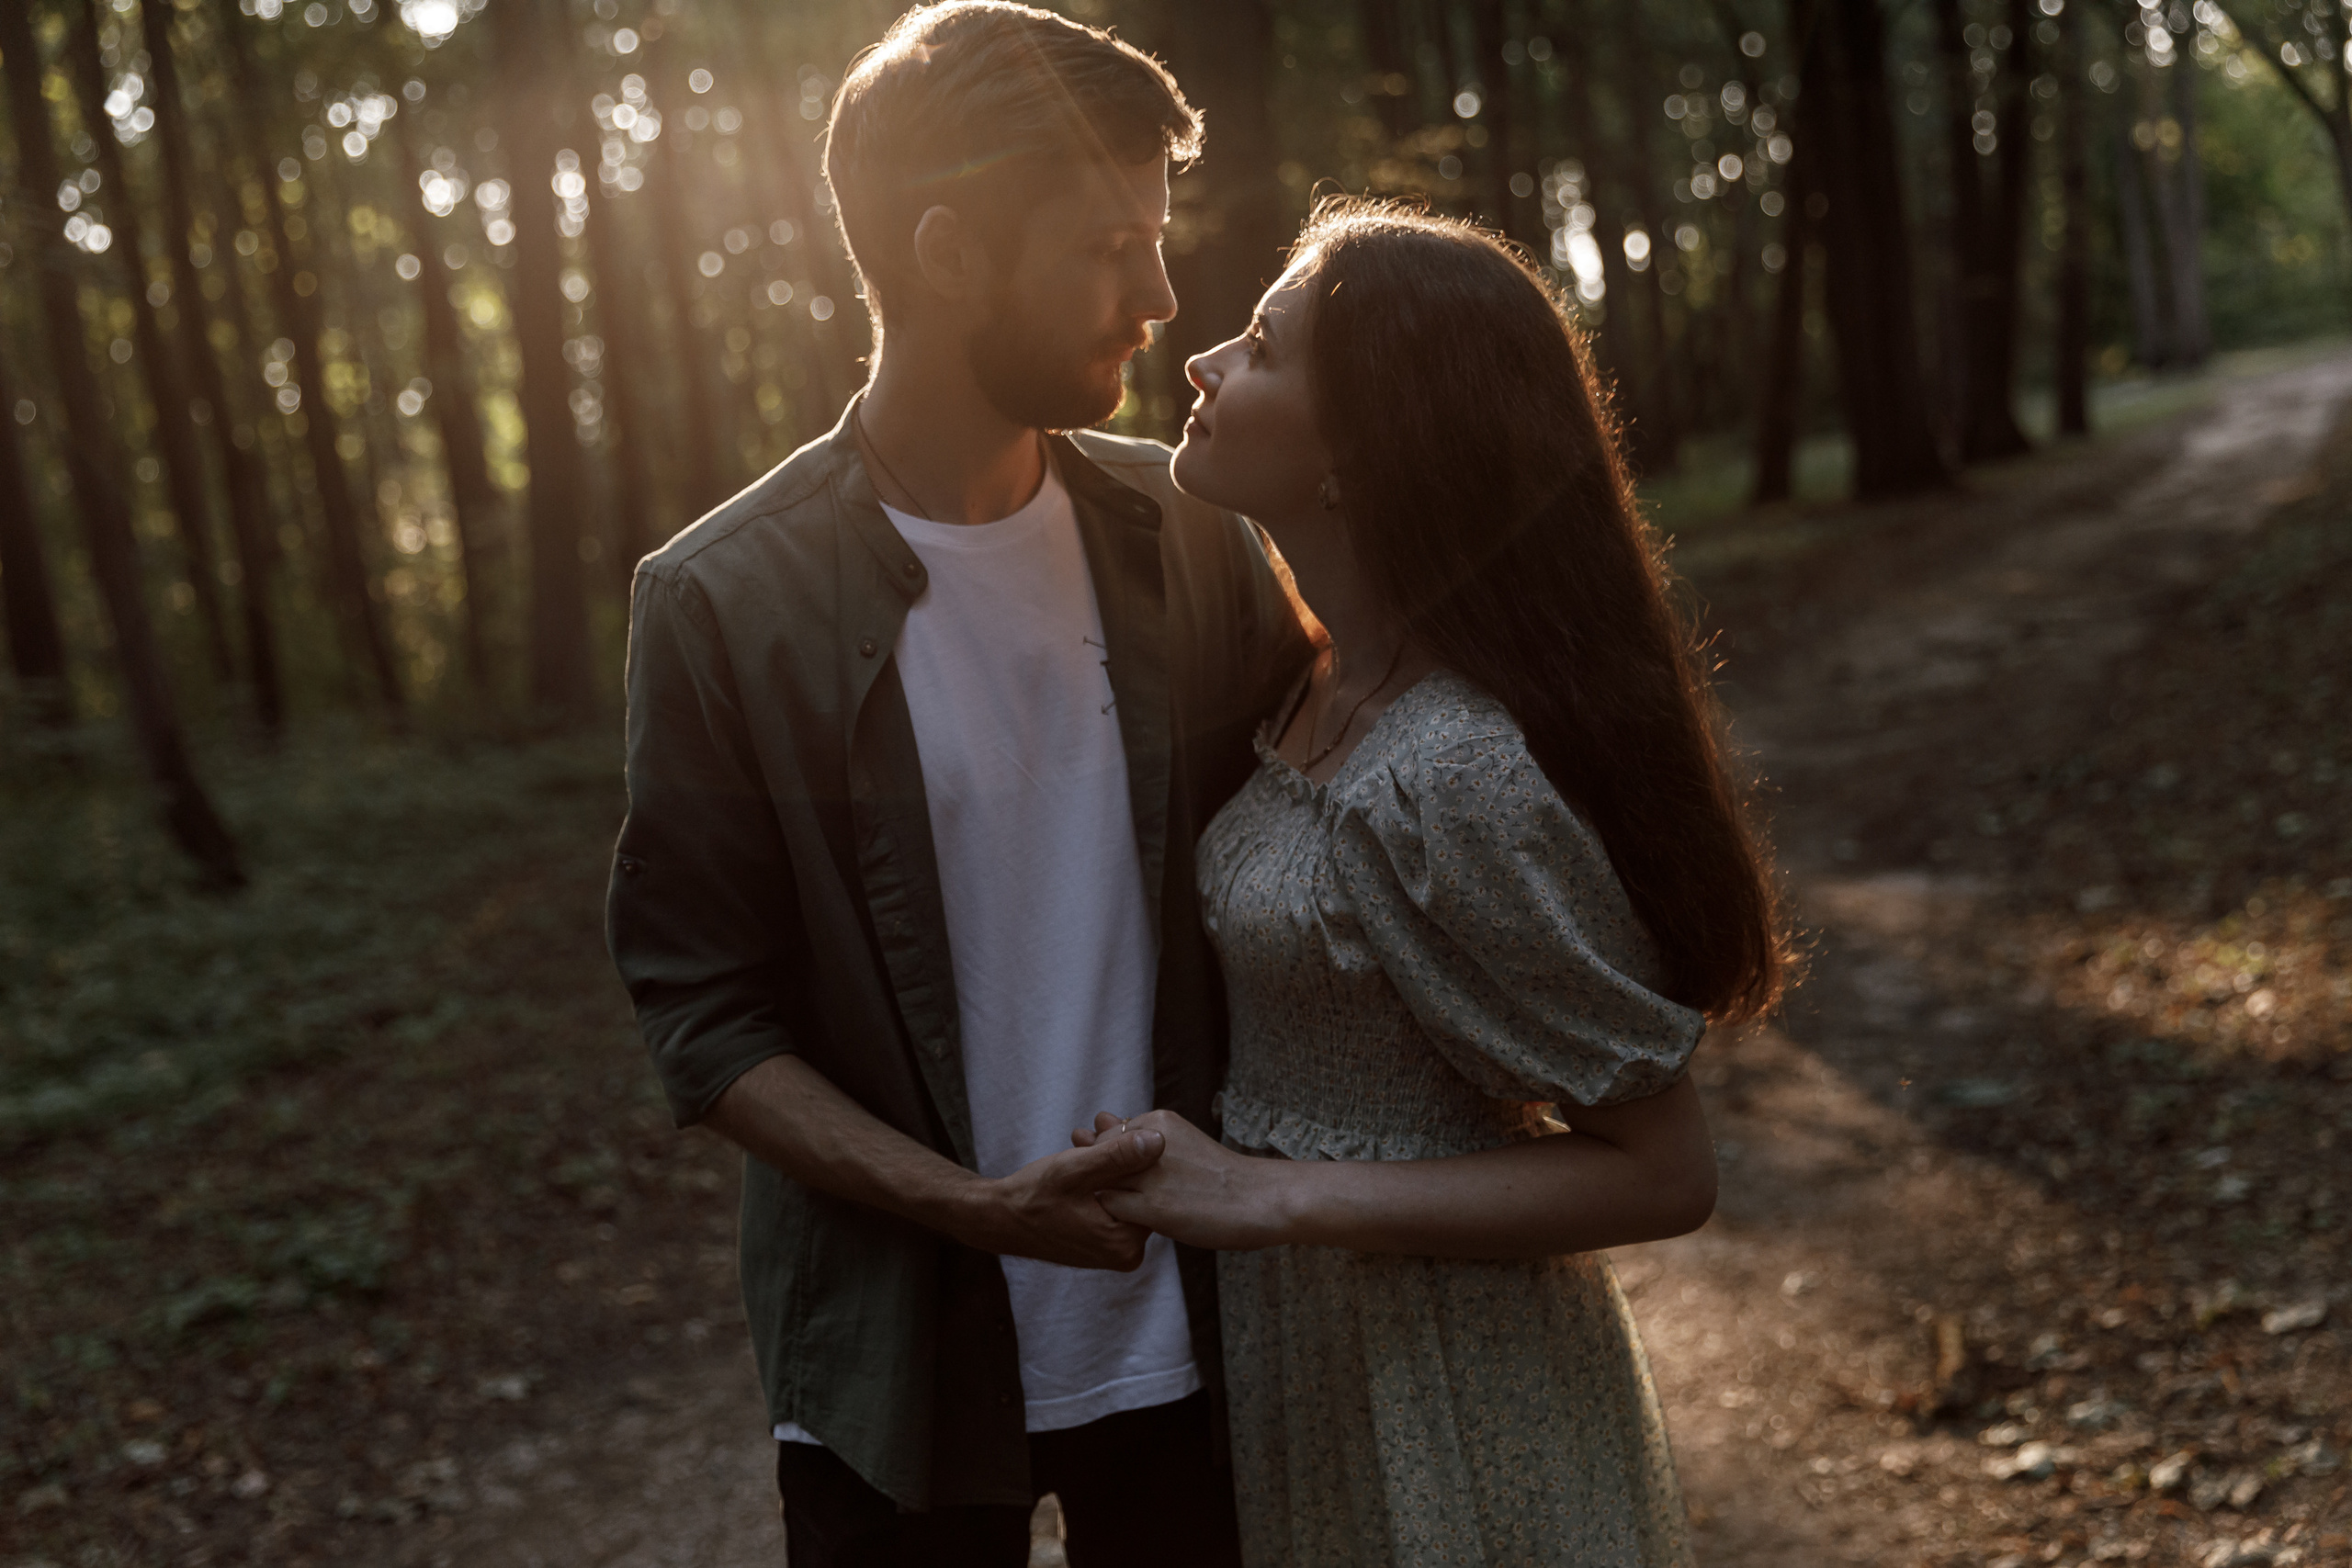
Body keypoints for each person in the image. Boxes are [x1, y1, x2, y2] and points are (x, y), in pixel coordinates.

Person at [603, 6, 1307, 1564]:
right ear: (948, 255)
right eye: (1106, 245)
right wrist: (972, 1207)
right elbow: (706, 1017)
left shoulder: (1190, 530)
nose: (1161, 294)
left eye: (1159, 235)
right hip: (895, 1366)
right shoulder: (721, 601)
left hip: (1195, 1337)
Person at [1080, 199, 1792, 1567]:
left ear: (1359, 450)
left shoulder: (1449, 772)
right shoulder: (1314, 688)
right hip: (1318, 1376)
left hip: (1458, 1404)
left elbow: (1664, 1173)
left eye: (1263, 348)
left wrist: (1271, 1196)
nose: (1202, 362)